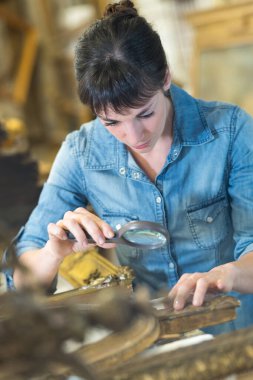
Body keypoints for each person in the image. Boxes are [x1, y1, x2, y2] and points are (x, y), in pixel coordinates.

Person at [3, 0, 253, 334]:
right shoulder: (82, 152)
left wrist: (229, 274)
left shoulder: (230, 131)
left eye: (145, 114)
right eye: (111, 122)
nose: (133, 135)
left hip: (236, 331)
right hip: (149, 339)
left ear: (164, 78)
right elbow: (20, 280)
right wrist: (53, 252)